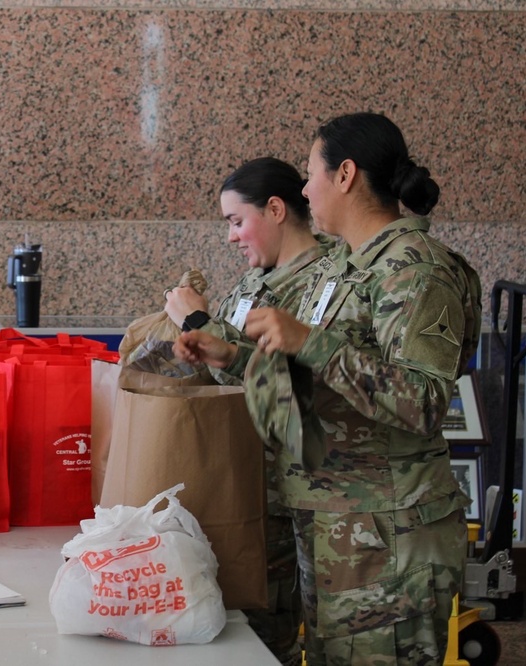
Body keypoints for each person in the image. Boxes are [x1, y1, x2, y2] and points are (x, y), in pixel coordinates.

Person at [174, 113, 481, 665]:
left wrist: (310, 342)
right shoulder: (343, 268)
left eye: (311, 173)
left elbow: (425, 401)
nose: (304, 189)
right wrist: (233, 356)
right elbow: (321, 382)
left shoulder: (417, 270)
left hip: (390, 532)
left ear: (345, 175)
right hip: (334, 521)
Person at [164, 157, 331, 666]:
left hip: (301, 494)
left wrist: (198, 320)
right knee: (246, 630)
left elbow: (286, 377)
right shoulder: (254, 283)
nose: (232, 238)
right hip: (246, 486)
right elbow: (229, 364)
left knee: (288, 636)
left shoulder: (326, 282)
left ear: (276, 209)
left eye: (237, 222)